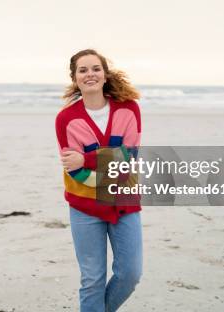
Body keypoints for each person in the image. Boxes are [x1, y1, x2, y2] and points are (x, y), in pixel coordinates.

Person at [55, 49, 143, 312]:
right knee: (92, 280)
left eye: (95, 68)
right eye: (83, 70)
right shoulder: (66, 119)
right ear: (75, 78)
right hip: (84, 206)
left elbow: (129, 158)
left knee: (131, 273)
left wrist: (87, 160)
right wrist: (95, 168)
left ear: (104, 74)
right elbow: (74, 172)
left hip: (124, 201)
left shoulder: (129, 109)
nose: (90, 74)